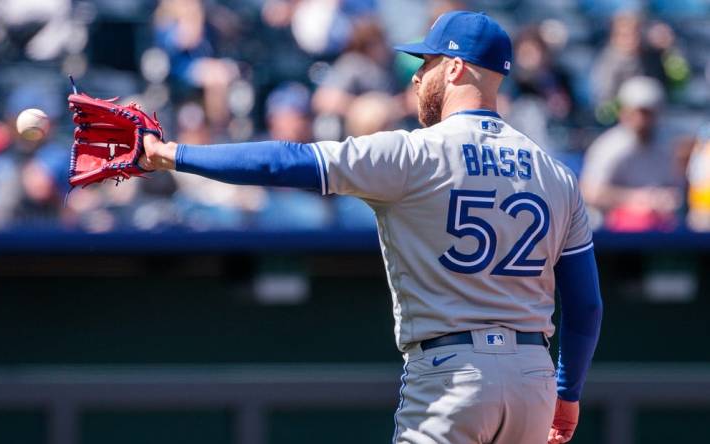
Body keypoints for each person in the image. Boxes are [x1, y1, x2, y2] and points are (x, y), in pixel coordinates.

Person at [139, 11, 602, 444]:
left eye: (427, 62)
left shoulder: (414, 155)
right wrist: (568, 391)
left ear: (457, 69)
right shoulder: (555, 174)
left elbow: (287, 161)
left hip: (452, 371)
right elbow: (585, 305)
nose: (418, 77)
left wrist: (172, 154)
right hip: (533, 377)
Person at [581, 76, 682, 232]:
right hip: (612, 231)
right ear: (624, 112)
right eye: (637, 112)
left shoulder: (668, 143)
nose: (642, 119)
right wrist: (634, 199)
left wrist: (665, 199)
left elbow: (677, 188)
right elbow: (589, 192)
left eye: (648, 113)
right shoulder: (609, 146)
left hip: (660, 226)